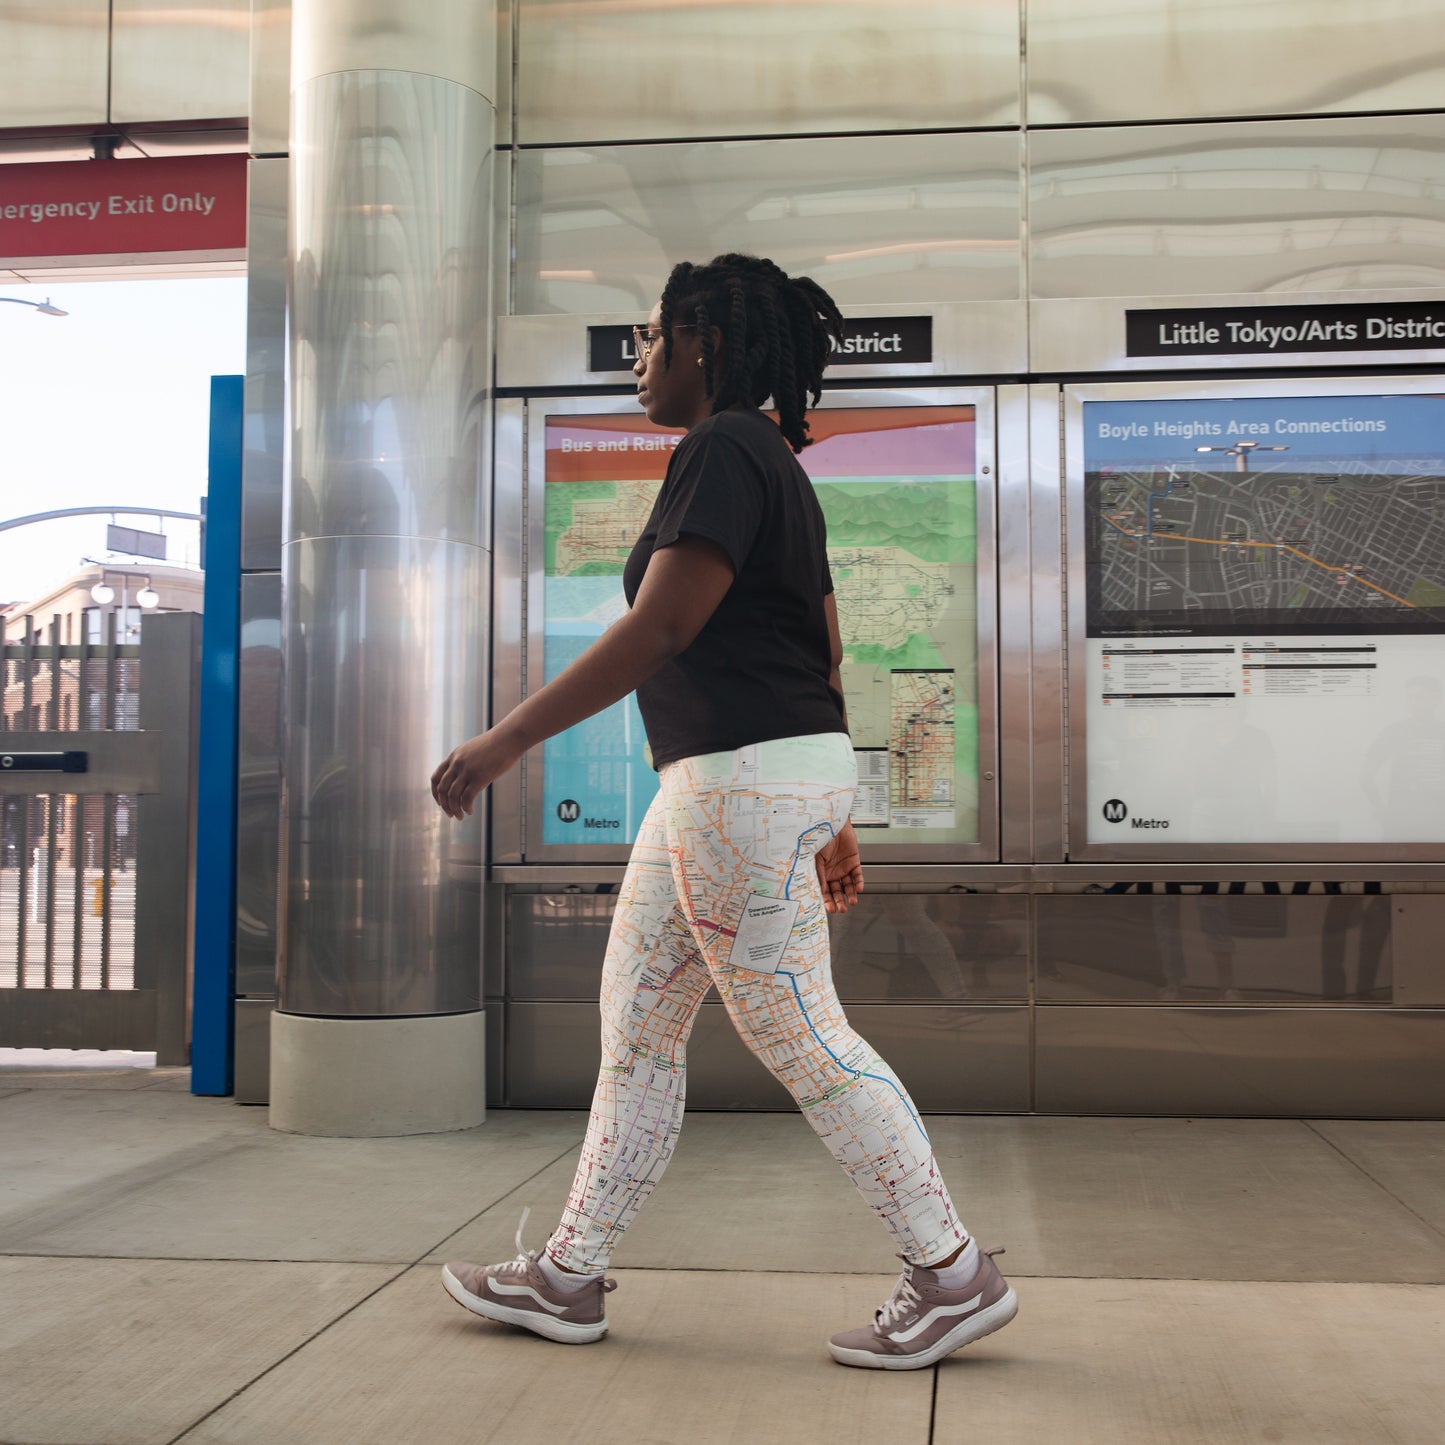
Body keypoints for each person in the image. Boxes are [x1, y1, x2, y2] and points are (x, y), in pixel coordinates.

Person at [430, 253, 1017, 1369]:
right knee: (639, 1022)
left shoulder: (720, 447)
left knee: (797, 1029)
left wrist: (505, 738)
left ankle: (950, 1271)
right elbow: (823, 639)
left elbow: (661, 629)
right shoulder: (770, 465)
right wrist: (829, 807)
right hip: (740, 777)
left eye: (652, 336)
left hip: (738, 777)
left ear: (706, 341)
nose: (639, 360)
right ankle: (567, 1273)